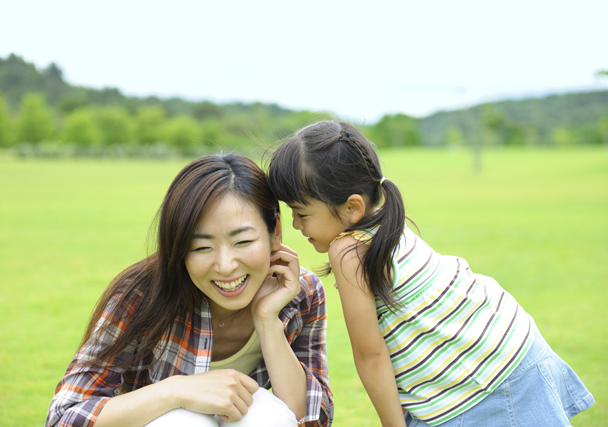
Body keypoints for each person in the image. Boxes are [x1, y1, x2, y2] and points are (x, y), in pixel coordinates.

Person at [266, 121, 594, 427]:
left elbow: (371, 355)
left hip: (487, 383)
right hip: (512, 352)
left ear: (353, 208)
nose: (295, 224)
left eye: (301, 212)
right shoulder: (384, 224)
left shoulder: (349, 251)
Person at [46, 153, 333, 427]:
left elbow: (307, 419)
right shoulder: (142, 294)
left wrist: (267, 320)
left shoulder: (298, 292)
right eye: (201, 247)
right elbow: (65, 416)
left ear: (276, 232)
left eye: (243, 242)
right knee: (182, 420)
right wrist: (177, 392)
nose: (225, 266)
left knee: (264, 415)